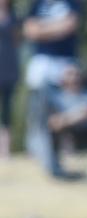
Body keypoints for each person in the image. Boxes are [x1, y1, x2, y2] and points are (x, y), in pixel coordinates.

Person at [0, 0, 19, 160]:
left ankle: (5, 149)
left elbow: (17, 41)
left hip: (8, 67)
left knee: (7, 110)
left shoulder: (14, 17)